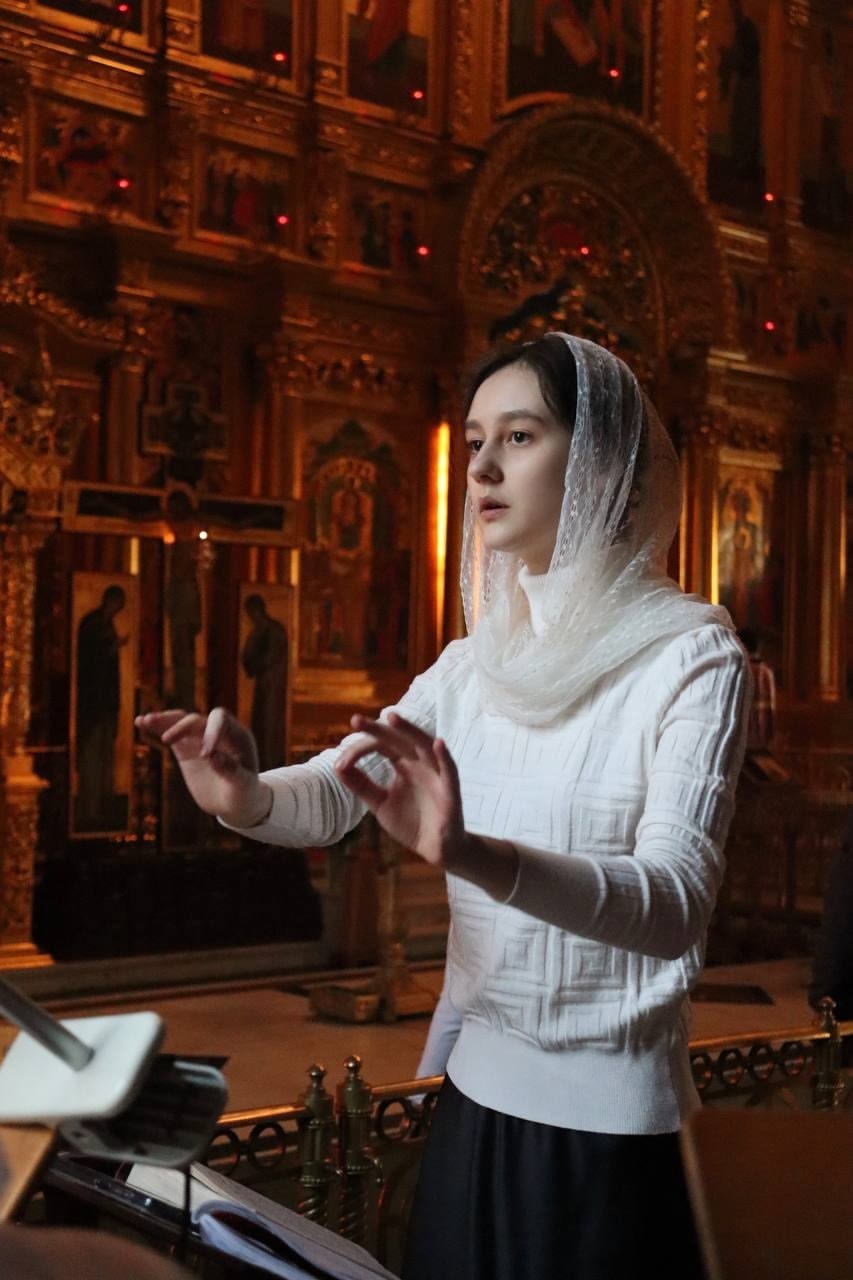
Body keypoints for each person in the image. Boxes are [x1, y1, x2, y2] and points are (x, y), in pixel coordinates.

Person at [137, 333, 751, 1280]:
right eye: (473, 442)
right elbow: (338, 789)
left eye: (519, 436)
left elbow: (673, 903)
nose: (481, 468)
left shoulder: (690, 656)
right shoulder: (474, 664)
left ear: (599, 459)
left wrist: (470, 853)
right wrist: (245, 795)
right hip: (472, 1114)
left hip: (609, 1149)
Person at [75, 583, 128, 830]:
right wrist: (112, 647)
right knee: (92, 756)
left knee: (106, 755)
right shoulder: (93, 624)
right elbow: (91, 661)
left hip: (106, 702)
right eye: (116, 605)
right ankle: (90, 808)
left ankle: (104, 806)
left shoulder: (105, 624)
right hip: (93, 702)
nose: (116, 610)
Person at [241, 593, 288, 772]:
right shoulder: (260, 631)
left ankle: (270, 765)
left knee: (270, 729)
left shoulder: (273, 631)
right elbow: (249, 664)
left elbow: (269, 660)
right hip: (264, 687)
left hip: (272, 688)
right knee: (261, 729)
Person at [737, 626, 776, 750]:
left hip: (739, 741)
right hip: (762, 740)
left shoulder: (738, 670)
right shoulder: (766, 672)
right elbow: (771, 710)